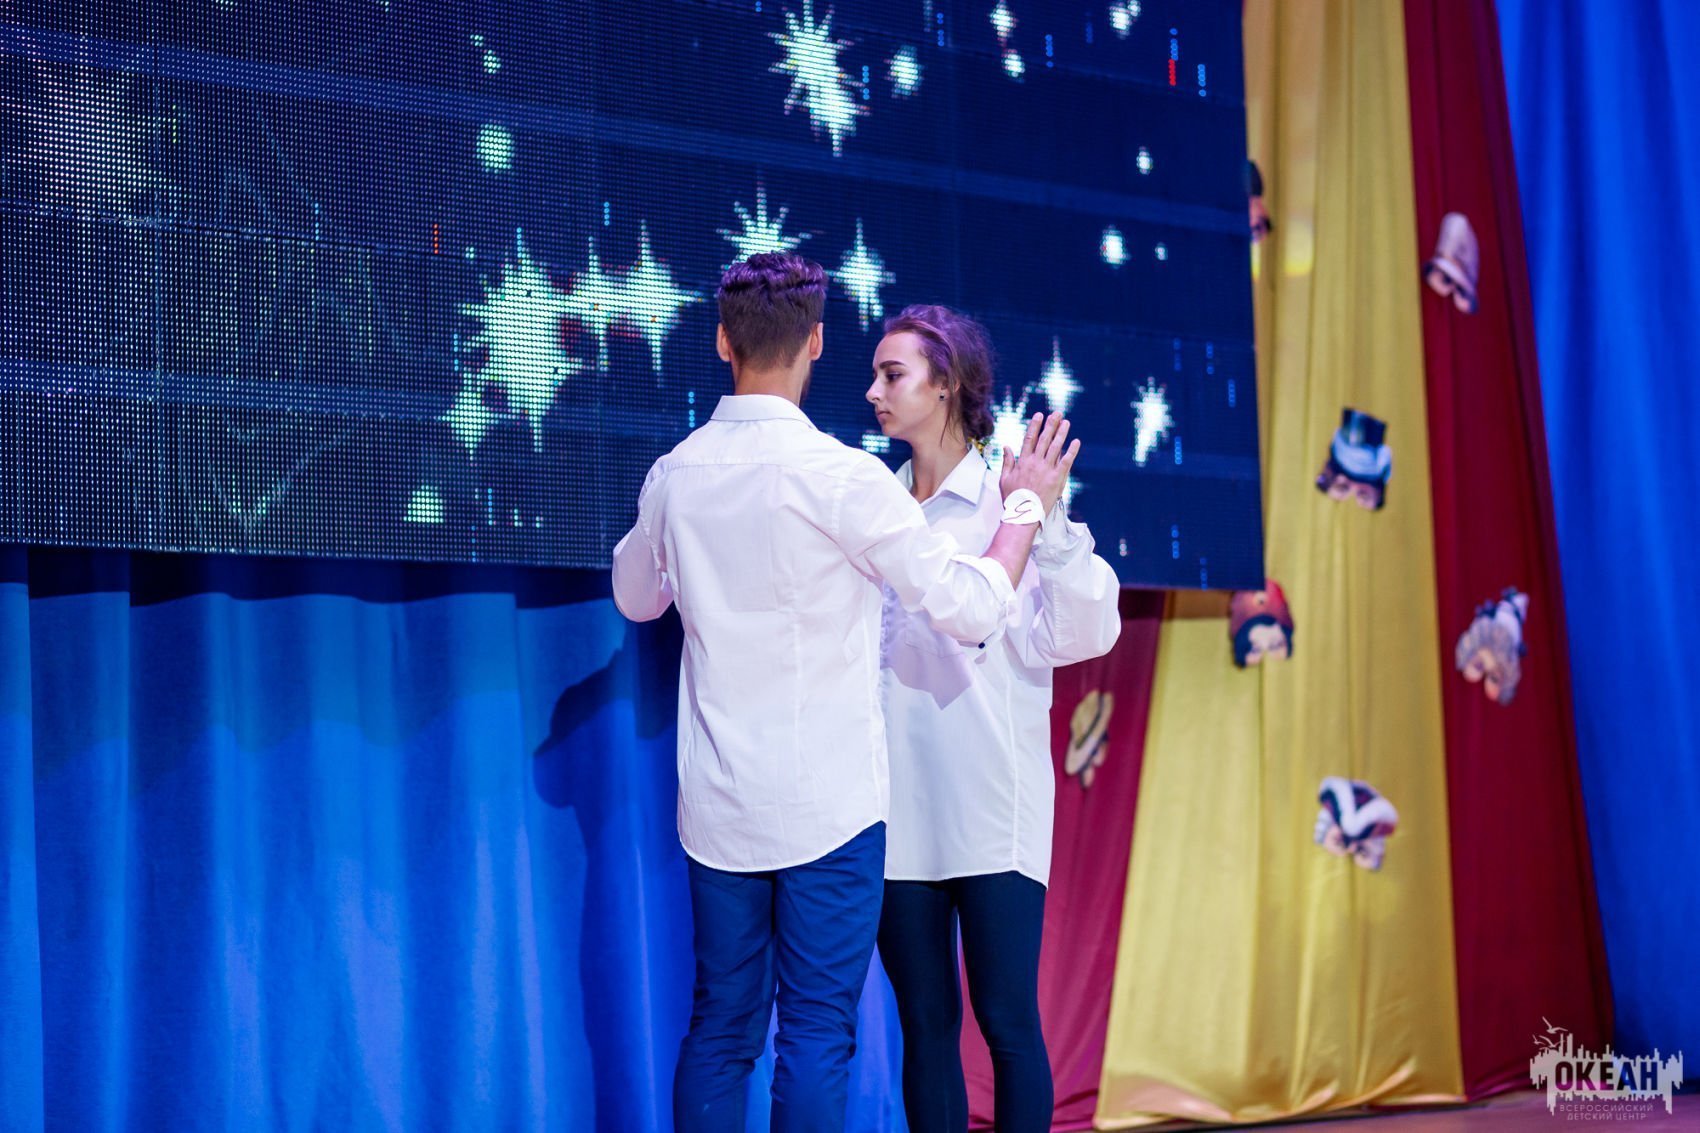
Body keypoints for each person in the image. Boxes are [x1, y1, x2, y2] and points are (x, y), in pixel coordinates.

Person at [610, 255, 1075, 1132]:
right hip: (831, 806)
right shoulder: (844, 477)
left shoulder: (675, 474)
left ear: (722, 342)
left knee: (720, 1027)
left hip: (720, 805)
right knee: (817, 1031)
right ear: (817, 342)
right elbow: (972, 608)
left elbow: (636, 597)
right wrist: (1022, 514)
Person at [864, 305, 1121, 1132]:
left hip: (991, 803)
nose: (873, 392)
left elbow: (1084, 632)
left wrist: (1044, 517)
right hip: (894, 807)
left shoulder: (1007, 501)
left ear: (946, 384)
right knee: (925, 1025)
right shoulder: (872, 506)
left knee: (1008, 1021)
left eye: (893, 374)